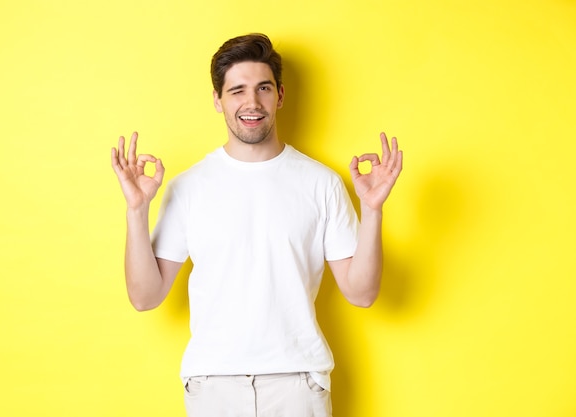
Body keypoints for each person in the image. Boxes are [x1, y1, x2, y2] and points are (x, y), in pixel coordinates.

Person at [111, 33, 402, 417]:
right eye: (237, 91)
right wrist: (136, 210)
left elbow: (362, 293)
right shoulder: (188, 187)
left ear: (279, 95)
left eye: (263, 88)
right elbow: (144, 297)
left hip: (298, 384)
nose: (251, 103)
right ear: (218, 100)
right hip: (213, 385)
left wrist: (373, 210)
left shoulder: (321, 183)